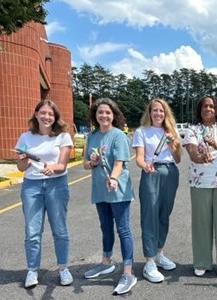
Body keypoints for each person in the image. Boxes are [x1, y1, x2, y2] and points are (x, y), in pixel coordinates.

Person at [15, 99, 74, 288]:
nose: (46, 117)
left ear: (55, 117)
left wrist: (52, 168)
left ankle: (63, 268)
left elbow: (62, 165)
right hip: (31, 186)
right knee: (32, 231)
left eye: (50, 114)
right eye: (43, 113)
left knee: (60, 230)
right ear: (36, 114)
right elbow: (20, 167)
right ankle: (32, 270)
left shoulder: (63, 136)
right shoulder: (25, 138)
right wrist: (24, 159)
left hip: (56, 184)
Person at [82, 98, 136, 295]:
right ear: (95, 115)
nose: (103, 115)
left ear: (114, 115)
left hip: (117, 190)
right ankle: (106, 262)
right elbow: (85, 164)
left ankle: (128, 272)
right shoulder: (92, 136)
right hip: (99, 189)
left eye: (107, 112)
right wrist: (93, 162)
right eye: (100, 112)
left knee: (123, 230)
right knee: (105, 227)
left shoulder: (118, 136)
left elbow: (120, 162)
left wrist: (113, 178)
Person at [183, 95, 217, 279]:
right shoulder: (192, 129)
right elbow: (191, 153)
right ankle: (201, 262)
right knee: (201, 224)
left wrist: (215, 144)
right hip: (199, 182)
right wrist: (200, 157)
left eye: (212, 106)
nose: (208, 109)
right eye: (205, 106)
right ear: (200, 109)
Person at [131, 98, 181, 283]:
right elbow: (139, 158)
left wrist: (171, 145)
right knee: (149, 215)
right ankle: (149, 261)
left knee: (164, 214)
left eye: (161, 111)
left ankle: (159, 252)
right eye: (155, 110)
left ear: (165, 113)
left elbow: (177, 159)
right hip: (151, 172)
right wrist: (145, 166)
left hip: (170, 172)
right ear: (149, 113)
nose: (158, 114)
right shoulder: (141, 132)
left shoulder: (170, 132)